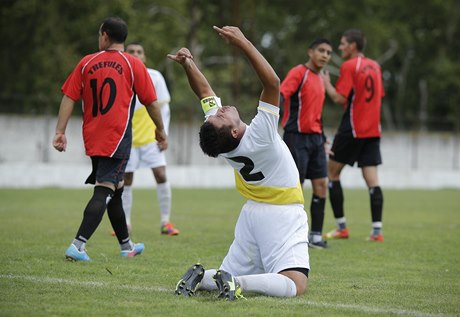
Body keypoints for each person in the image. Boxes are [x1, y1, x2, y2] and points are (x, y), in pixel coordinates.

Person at [168, 26, 310, 300]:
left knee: (230, 272)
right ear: (233, 131)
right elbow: (272, 82)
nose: (218, 110)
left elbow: (204, 92)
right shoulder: (260, 135)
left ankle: (203, 277)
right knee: (295, 284)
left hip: (251, 215)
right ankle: (237, 282)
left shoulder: (225, 144)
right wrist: (243, 42)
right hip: (281, 213)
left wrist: (188, 64)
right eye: (220, 116)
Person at [52, 17, 167, 261]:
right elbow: (151, 102)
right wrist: (160, 130)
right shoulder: (133, 64)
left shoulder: (86, 62)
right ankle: (78, 245)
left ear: (105, 35)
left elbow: (69, 96)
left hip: (93, 137)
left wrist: (60, 131)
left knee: (116, 188)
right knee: (105, 189)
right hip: (117, 137)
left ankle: (127, 246)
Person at [320, 29, 385, 242]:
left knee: (331, 172)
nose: (339, 48)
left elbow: (340, 99)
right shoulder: (375, 66)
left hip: (353, 128)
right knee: (372, 181)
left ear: (353, 46)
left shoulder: (349, 66)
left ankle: (342, 228)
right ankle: (377, 231)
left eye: (342, 44)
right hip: (373, 130)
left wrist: (326, 84)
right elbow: (374, 97)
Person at [118, 42, 179, 236]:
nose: (135, 54)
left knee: (161, 174)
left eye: (139, 52)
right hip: (128, 140)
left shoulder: (155, 77)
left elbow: (164, 109)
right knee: (126, 179)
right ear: (125, 54)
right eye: (131, 51)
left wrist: (163, 134)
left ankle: (165, 222)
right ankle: (124, 223)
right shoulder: (119, 76)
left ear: (144, 57)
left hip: (151, 138)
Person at [280, 38, 332, 249]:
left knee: (321, 185)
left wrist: (323, 135)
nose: (325, 55)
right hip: (296, 136)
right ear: (310, 52)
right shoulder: (298, 73)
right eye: (321, 50)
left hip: (316, 139)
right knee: (296, 186)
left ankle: (316, 236)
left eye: (328, 52)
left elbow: (315, 112)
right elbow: (281, 94)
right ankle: (292, 236)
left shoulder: (321, 79)